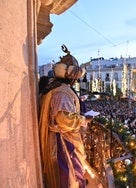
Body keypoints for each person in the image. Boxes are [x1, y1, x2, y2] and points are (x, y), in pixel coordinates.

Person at [39, 45, 93, 188]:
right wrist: (83, 119)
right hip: (63, 143)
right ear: (72, 77)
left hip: (60, 140)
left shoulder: (55, 88)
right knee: (70, 177)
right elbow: (64, 120)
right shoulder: (62, 92)